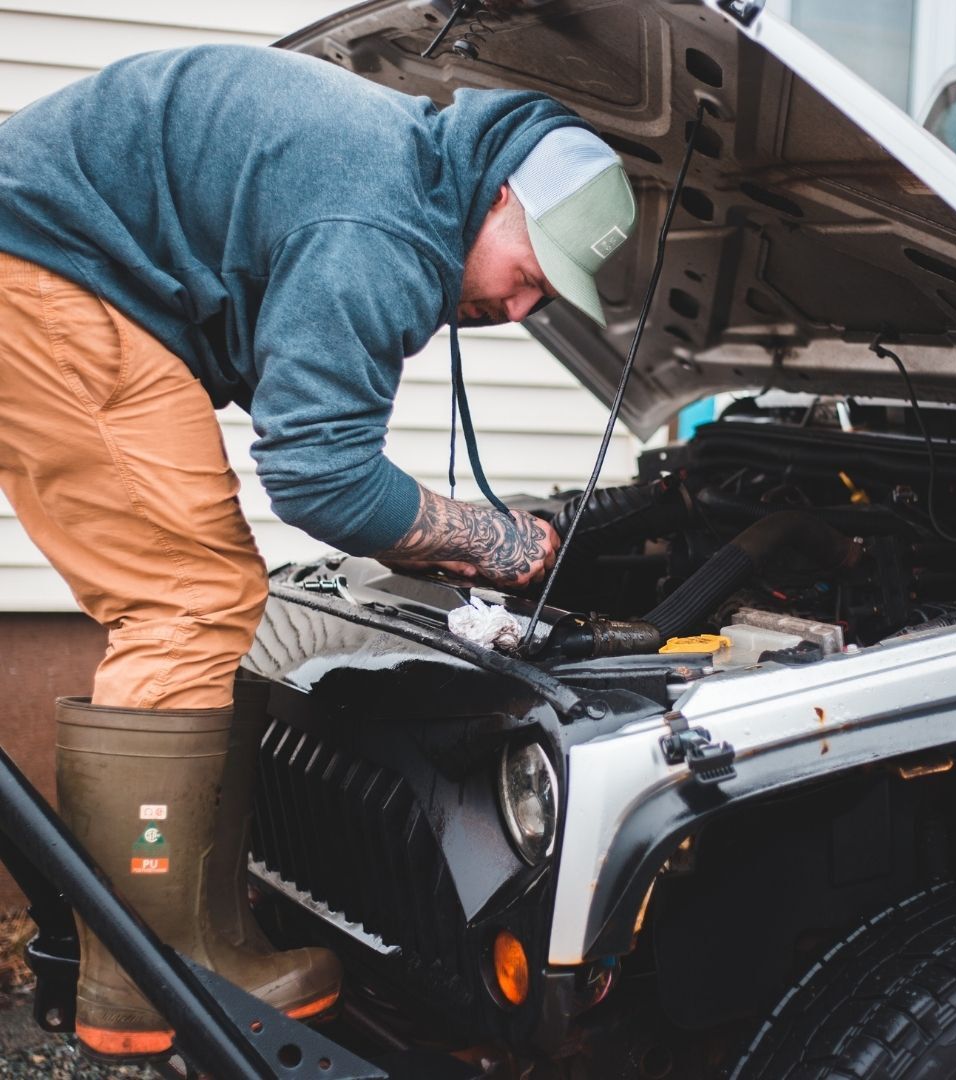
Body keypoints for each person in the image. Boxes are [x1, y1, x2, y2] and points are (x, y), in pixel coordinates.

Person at [0, 44, 636, 1061]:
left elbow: (300, 405)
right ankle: (154, 976)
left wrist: (442, 538)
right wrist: (496, 542)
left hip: (48, 268)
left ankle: (178, 940)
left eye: (549, 298)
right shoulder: (381, 222)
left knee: (192, 591)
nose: (523, 311)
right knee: (189, 600)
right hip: (48, 279)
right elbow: (319, 476)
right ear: (501, 199)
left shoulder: (403, 179)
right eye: (531, 275)